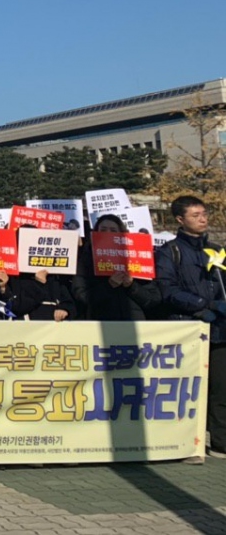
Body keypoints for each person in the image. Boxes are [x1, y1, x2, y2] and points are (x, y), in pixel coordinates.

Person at [155, 196, 226, 460]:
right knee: (187, 389)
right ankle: (184, 444)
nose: (202, 219)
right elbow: (167, 289)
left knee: (220, 388)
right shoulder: (169, 251)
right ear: (180, 219)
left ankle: (220, 443)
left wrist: (220, 305)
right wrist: (202, 305)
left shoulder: (216, 250)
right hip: (186, 327)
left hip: (219, 329)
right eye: (195, 215)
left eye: (204, 213)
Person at [81, 213, 160, 321]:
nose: (108, 234)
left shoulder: (138, 259)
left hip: (134, 322)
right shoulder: (87, 258)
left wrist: (132, 286)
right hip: (101, 322)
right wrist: (109, 286)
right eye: (103, 230)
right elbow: (82, 295)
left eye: (113, 230)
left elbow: (153, 299)